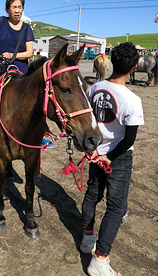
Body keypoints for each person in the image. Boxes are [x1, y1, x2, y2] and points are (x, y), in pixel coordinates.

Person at [80, 42, 144, 276]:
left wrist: (98, 152)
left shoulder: (94, 88)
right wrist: (109, 156)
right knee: (116, 208)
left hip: (95, 152)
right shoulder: (132, 99)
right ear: (134, 67)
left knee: (92, 195)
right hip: (116, 158)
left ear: (111, 62)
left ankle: (88, 238)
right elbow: (128, 139)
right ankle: (99, 259)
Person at [0, 0, 53, 155]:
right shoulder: (1, 21)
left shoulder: (26, 29)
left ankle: (43, 133)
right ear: (7, 9)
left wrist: (12, 56)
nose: (17, 10)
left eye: (20, 7)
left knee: (36, 97)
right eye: (14, 7)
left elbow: (29, 53)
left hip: (20, 71)